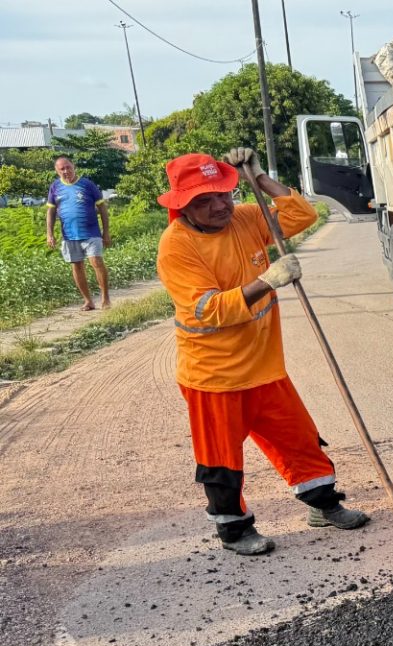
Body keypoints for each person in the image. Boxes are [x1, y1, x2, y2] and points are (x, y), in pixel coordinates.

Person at [156, 148, 369, 556]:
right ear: (183, 205)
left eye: (224, 194)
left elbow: (300, 217)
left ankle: (324, 506)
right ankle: (234, 531)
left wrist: (260, 178)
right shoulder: (177, 246)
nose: (220, 206)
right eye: (205, 200)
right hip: (213, 376)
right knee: (220, 462)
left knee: (300, 440)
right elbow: (210, 310)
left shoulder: (245, 218)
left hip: (265, 366)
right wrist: (269, 280)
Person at [45, 157, 111, 310]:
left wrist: (106, 232)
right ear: (57, 171)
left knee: (96, 262)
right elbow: (51, 211)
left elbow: (102, 208)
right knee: (77, 266)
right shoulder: (55, 187)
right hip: (69, 235)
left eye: (68, 167)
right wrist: (49, 234)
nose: (66, 171)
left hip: (91, 232)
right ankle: (88, 301)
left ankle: (105, 298)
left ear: (73, 167)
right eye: (62, 169)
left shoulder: (87, 184)